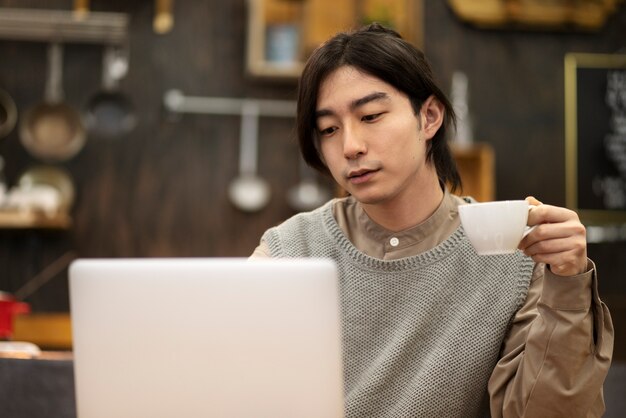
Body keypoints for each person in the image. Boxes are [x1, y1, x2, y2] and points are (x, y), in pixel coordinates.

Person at [251, 23, 614, 418]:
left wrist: (567, 286)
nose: (350, 147)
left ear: (429, 117)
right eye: (329, 129)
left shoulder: (517, 254)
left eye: (371, 116)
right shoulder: (289, 249)